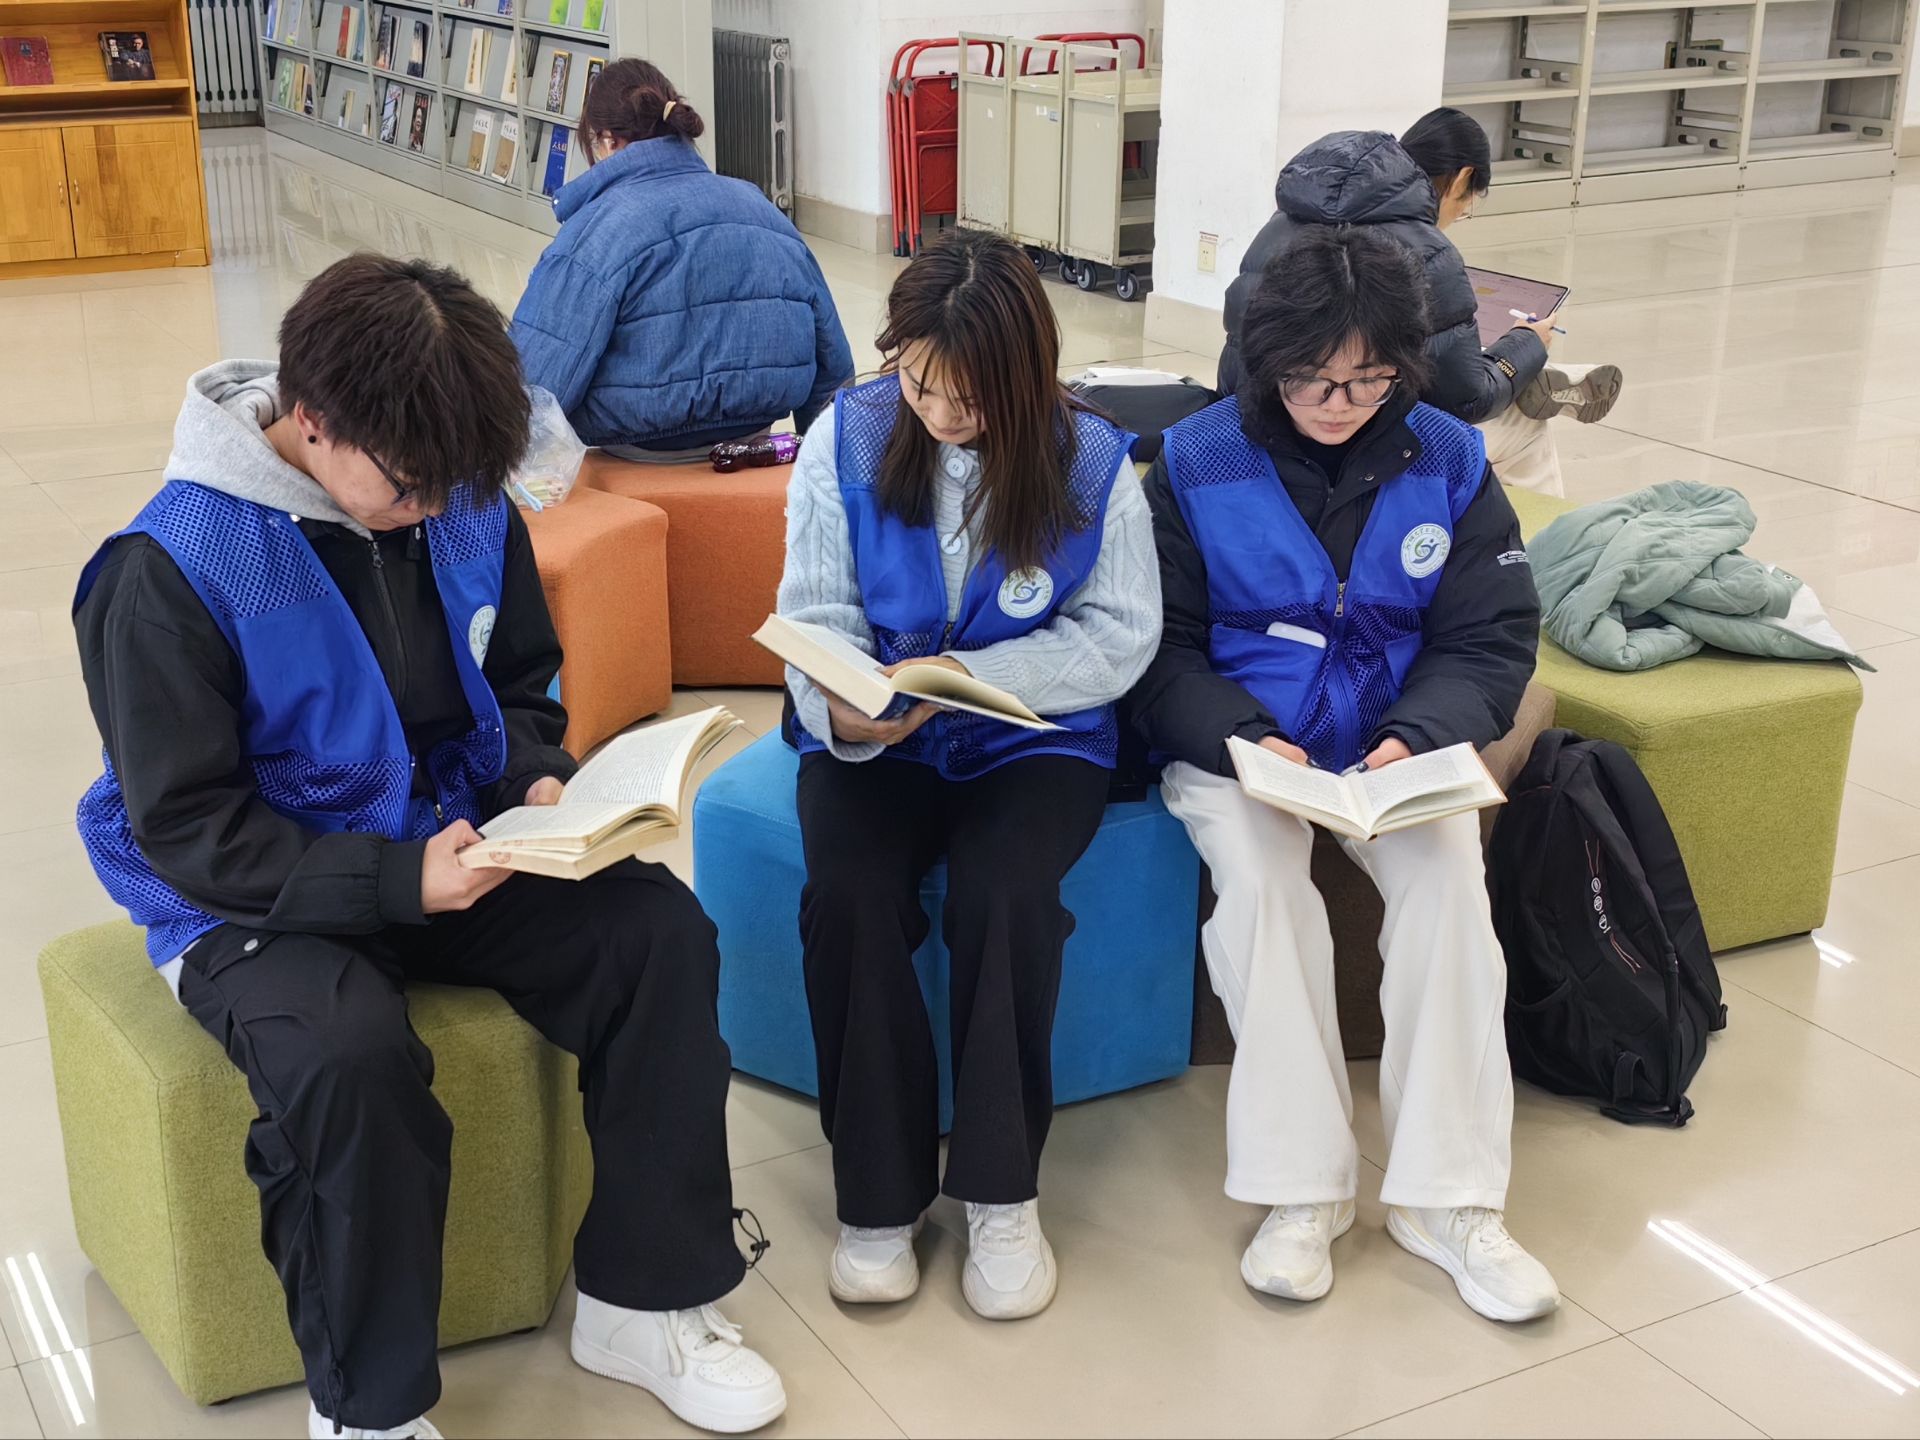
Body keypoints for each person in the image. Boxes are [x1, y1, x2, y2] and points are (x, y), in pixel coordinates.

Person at [73, 255, 786, 1439]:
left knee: (657, 934)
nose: (432, 510)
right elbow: (189, 827)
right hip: (251, 893)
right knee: (349, 1058)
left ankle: (644, 1300)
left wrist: (536, 775)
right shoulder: (167, 567)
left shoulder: (457, 497)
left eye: (455, 487)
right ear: (312, 420)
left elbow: (519, 680)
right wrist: (398, 881)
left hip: (448, 837)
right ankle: (371, 1412)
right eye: (409, 486)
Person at [1133, 226, 1560, 1324]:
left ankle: (1449, 1201)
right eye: (1313, 379)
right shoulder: (1195, 460)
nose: (1340, 402)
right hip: (1242, 748)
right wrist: (1240, 736)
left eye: (1369, 379)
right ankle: (1303, 1190)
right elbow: (1158, 649)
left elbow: (1491, 635)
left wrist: (1419, 736)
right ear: (1268, 362)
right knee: (1263, 888)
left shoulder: (1449, 457)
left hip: (1394, 746)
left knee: (1451, 887)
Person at [776, 229, 1161, 1322]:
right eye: (921, 383)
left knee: (1007, 895)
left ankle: (1001, 1193)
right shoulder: (843, 435)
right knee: (849, 895)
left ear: (1026, 376)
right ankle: (876, 1200)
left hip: (1033, 739)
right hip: (876, 737)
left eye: (972, 397)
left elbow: (1122, 633)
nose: (943, 413)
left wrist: (977, 678)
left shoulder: (1091, 460)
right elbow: (813, 612)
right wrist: (841, 705)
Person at [1216, 107, 1622, 497]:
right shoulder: (1428, 253)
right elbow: (1468, 400)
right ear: (1463, 178)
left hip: (1246, 421)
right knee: (1523, 427)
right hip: (1344, 443)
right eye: (1466, 206)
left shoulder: (1278, 227)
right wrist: (1526, 344)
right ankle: (1529, 536)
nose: (1456, 216)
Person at [511, 58, 854, 461]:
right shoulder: (760, 207)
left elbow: (533, 388)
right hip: (755, 452)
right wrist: (822, 468)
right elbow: (834, 370)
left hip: (636, 459)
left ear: (606, 141)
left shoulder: (596, 231)